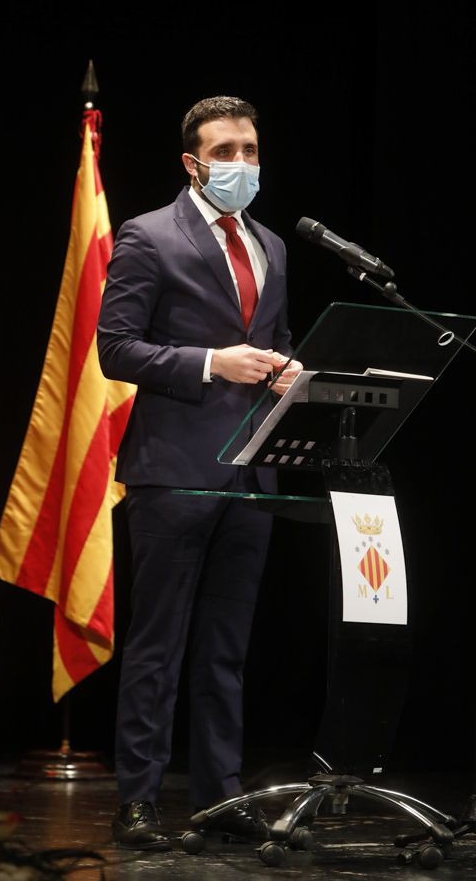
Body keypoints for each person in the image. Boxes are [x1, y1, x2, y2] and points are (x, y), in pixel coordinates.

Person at [97, 96, 302, 850]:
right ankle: (140, 800)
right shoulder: (148, 236)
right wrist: (211, 363)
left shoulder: (273, 246)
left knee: (225, 649)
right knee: (158, 645)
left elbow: (274, 338)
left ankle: (221, 798)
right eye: (226, 152)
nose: (241, 164)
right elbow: (113, 349)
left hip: (252, 473)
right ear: (193, 163)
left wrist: (286, 369)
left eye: (250, 149)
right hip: (173, 472)